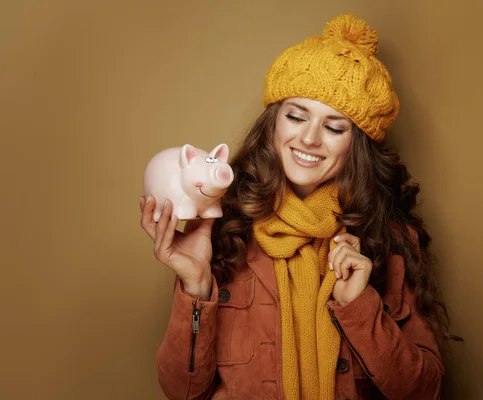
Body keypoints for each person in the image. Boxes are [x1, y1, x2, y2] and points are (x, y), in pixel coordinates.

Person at [140, 13, 455, 400]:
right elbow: (182, 392)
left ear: (356, 144)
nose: (309, 139)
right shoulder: (226, 229)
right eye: (296, 116)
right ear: (273, 123)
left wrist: (358, 305)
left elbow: (424, 392)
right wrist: (195, 285)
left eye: (334, 127)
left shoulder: (386, 240)